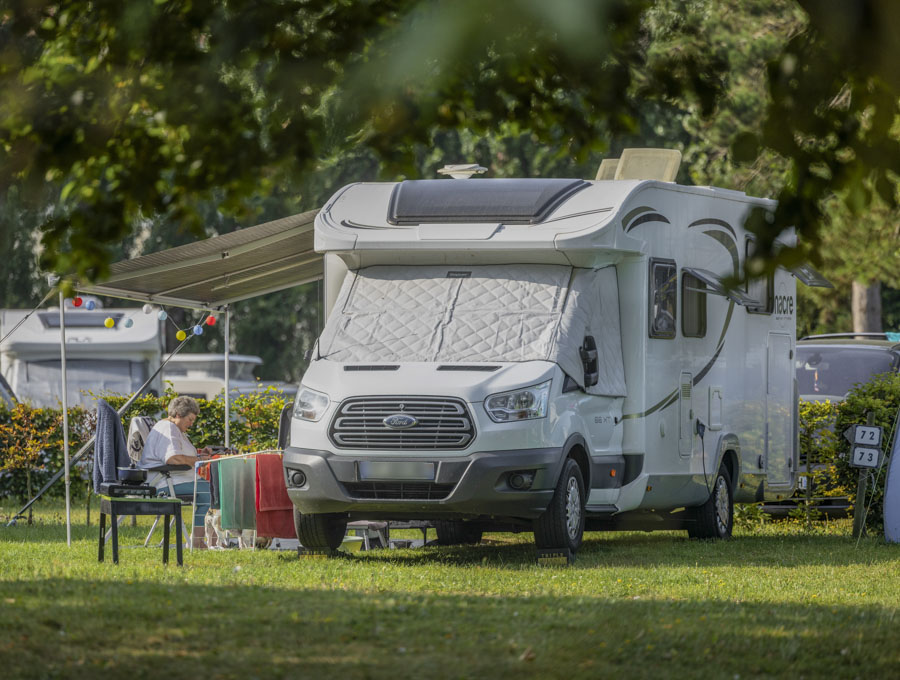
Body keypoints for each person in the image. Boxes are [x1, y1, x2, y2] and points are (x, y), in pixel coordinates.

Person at [138, 395, 213, 548]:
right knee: (209, 493)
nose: (191, 424)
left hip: (171, 480)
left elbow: (178, 453)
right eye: (190, 419)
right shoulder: (169, 429)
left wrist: (198, 455)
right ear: (178, 415)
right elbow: (173, 458)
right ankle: (198, 541)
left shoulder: (172, 428)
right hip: (164, 483)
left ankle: (199, 540)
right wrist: (199, 461)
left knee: (207, 493)